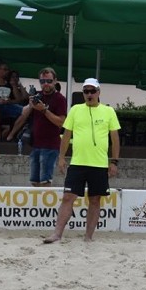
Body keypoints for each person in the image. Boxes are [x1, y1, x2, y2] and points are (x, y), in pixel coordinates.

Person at [43, 78, 120, 244]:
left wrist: (114, 162)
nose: (89, 94)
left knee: (95, 200)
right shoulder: (76, 110)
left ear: (99, 92)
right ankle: (57, 233)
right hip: (78, 163)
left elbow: (115, 138)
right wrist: (62, 157)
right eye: (86, 91)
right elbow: (66, 135)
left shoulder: (108, 111)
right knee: (68, 197)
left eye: (93, 91)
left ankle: (88, 237)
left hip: (99, 164)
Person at [6, 67, 67, 186]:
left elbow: (61, 122)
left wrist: (44, 110)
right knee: (34, 181)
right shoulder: (37, 96)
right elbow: (23, 115)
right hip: (36, 144)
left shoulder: (60, 99)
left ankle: (46, 205)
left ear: (55, 81)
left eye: (49, 81)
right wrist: (30, 105)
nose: (45, 84)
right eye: (42, 81)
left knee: (45, 181)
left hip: (50, 146)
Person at [0, 63, 29, 135]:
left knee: (25, 110)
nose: (7, 72)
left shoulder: (10, 85)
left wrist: (10, 101)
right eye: (5, 69)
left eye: (7, 70)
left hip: (8, 106)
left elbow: (19, 100)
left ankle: (13, 133)